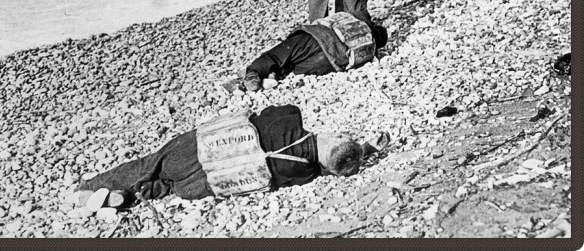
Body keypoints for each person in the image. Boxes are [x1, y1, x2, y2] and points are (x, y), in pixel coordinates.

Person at [74, 105, 390, 209]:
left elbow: (264, 114)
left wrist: (363, 146)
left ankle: (89, 187)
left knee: (150, 163)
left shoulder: (291, 117)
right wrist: (366, 152)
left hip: (197, 151)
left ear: (335, 136)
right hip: (204, 186)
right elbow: (326, 172)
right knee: (170, 186)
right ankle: (131, 197)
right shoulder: (305, 174)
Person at [224, 10, 387, 93]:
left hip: (318, 39)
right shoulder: (370, 50)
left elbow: (331, 20)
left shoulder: (357, 19)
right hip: (329, 62)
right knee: (292, 68)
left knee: (277, 55)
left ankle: (253, 73)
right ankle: (271, 75)